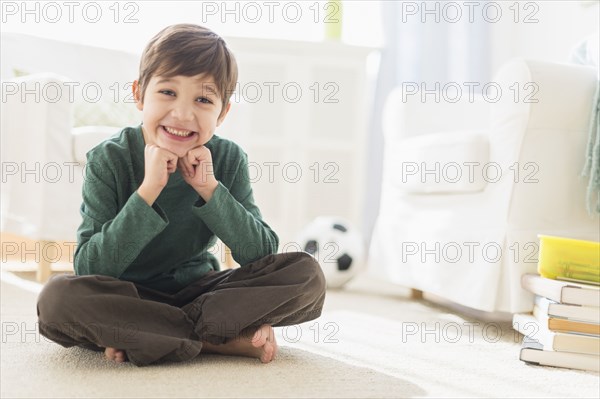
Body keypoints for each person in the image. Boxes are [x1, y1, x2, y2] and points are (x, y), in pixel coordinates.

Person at [36, 24, 326, 367]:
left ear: (222, 112)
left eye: (203, 99)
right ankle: (214, 340)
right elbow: (90, 267)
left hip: (201, 291)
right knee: (57, 300)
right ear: (139, 94)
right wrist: (148, 191)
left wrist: (209, 188)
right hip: (129, 297)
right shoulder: (109, 159)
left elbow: (261, 255)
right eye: (168, 93)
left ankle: (148, 337)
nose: (183, 114)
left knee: (306, 275)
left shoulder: (228, 158)